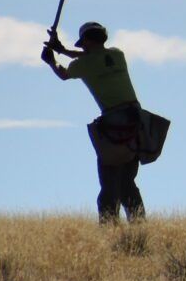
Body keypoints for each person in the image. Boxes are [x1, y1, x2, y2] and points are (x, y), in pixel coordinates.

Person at [42, 21, 147, 222]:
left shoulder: (83, 65)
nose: (81, 47)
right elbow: (93, 56)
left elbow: (64, 74)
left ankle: (108, 228)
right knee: (127, 181)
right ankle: (140, 225)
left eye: (83, 43)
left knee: (109, 182)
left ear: (88, 41)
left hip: (114, 124)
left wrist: (51, 60)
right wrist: (62, 50)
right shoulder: (117, 54)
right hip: (136, 122)